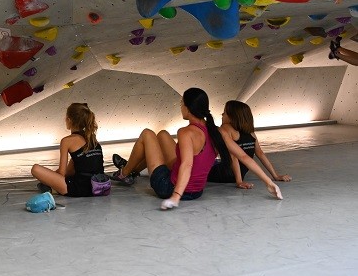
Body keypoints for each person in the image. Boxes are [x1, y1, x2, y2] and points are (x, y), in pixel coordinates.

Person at [111, 87, 282, 210]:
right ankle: (131, 171)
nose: (180, 107)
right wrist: (270, 183)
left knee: (147, 134)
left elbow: (187, 165)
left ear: (188, 108)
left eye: (181, 104)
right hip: (197, 192)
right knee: (162, 134)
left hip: (168, 187)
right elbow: (244, 156)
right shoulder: (216, 131)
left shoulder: (186, 132)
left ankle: (124, 173)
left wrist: (175, 197)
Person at [207, 100, 291, 188]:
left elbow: (234, 157)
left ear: (232, 116)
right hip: (240, 174)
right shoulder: (251, 133)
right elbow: (260, 154)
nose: (222, 114)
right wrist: (276, 176)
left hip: (225, 174)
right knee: (216, 162)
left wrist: (239, 181)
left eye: (224, 112)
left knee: (204, 166)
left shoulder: (226, 128)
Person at [31, 103, 104, 197]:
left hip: (80, 189)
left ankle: (52, 188)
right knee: (74, 165)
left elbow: (62, 174)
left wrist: (49, 178)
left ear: (69, 120)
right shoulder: (92, 139)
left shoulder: (67, 141)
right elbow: (70, 171)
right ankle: (51, 187)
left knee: (35, 169)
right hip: (99, 186)